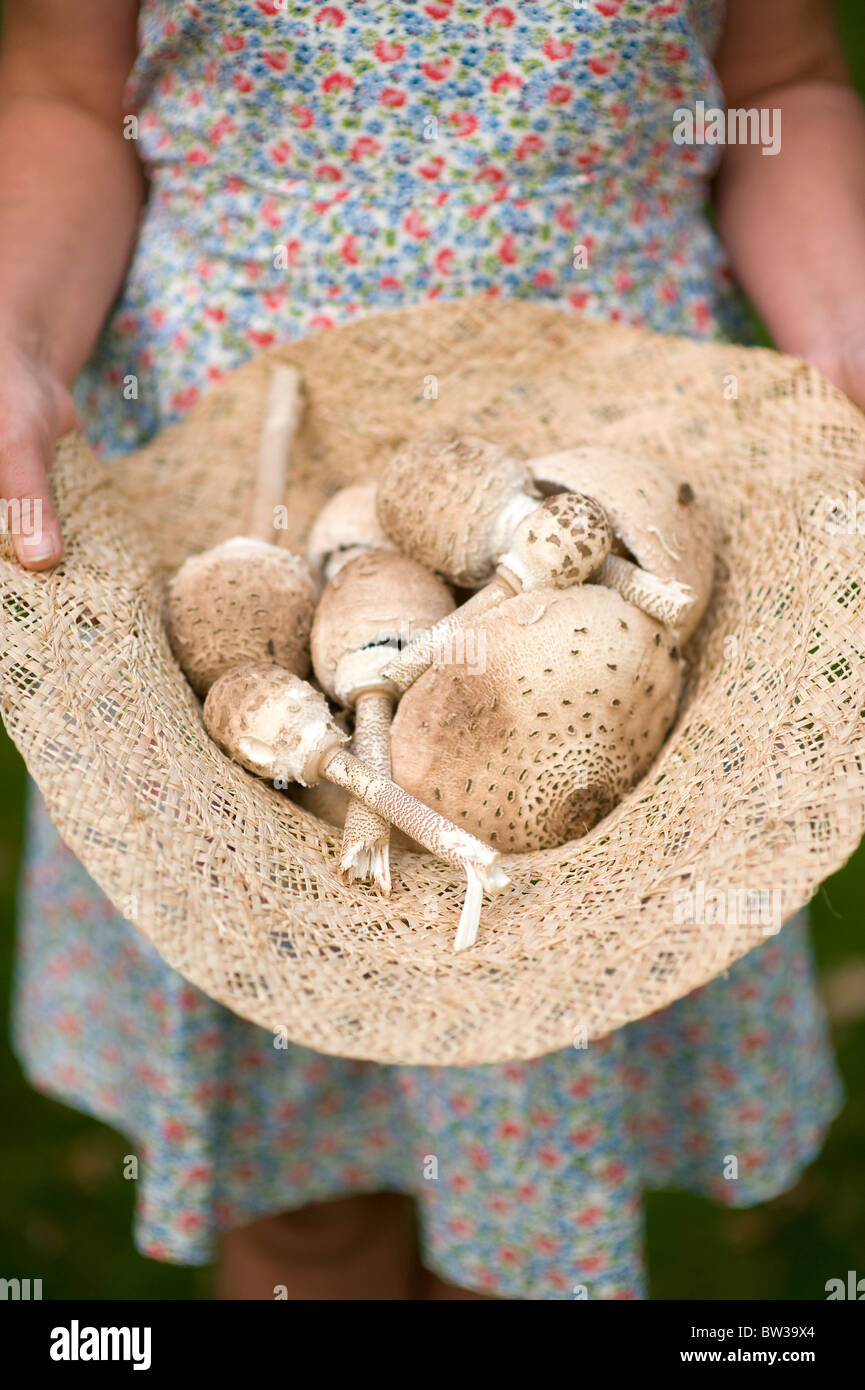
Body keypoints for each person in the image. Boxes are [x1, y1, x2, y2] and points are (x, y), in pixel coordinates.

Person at [1, 0, 861, 1301]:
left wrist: (846, 328)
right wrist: (15, 339)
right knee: (297, 1204)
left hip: (619, 451)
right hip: (222, 478)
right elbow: (68, 94)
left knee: (533, 1229)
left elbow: (779, 78)